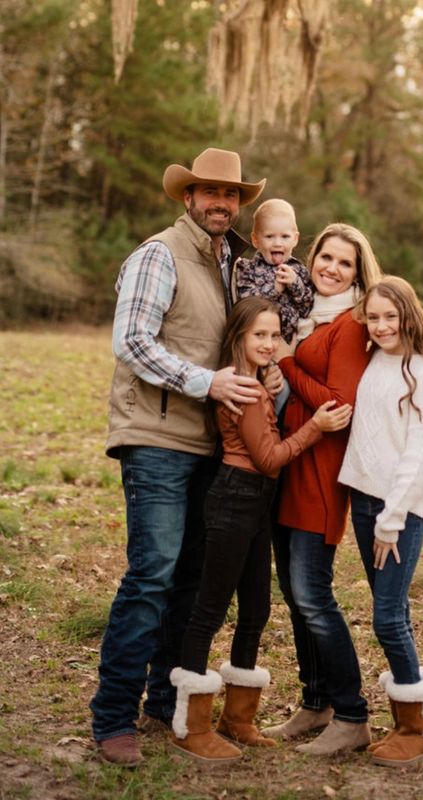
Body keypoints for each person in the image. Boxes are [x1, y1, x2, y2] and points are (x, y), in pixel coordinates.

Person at [90, 148, 271, 767]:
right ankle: (113, 718)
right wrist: (207, 383)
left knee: (190, 578)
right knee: (152, 576)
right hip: (157, 439)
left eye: (231, 194)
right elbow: (132, 341)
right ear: (188, 197)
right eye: (210, 192)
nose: (222, 202)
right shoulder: (159, 255)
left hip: (209, 443)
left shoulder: (231, 264)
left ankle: (164, 702)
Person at [169, 296, 353, 764]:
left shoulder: (255, 382)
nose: (270, 343)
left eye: (275, 335)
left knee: (255, 610)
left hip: (255, 503)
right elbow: (269, 459)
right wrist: (315, 427)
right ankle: (191, 727)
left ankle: (238, 719)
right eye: (260, 335)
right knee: (209, 610)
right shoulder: (246, 390)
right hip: (236, 498)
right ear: (239, 337)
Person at [262, 223, 383, 756]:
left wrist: (288, 363)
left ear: (358, 274)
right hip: (290, 462)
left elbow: (339, 403)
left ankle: (352, 714)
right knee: (294, 594)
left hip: (321, 472)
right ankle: (316, 702)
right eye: (325, 257)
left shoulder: (351, 325)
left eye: (345, 263)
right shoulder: (306, 316)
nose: (331, 268)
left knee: (312, 593)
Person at [338, 276, 423, 767]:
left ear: (408, 316)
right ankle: (407, 718)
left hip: (398, 509)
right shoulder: (372, 358)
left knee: (386, 618)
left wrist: (392, 519)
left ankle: (418, 729)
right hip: (365, 500)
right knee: (393, 609)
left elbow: (420, 453)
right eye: (373, 317)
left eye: (391, 316)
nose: (382, 325)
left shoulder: (420, 372)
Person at [235, 198, 313, 344]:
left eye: (285, 236)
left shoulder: (299, 271)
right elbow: (246, 306)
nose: (277, 243)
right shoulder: (248, 270)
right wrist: (274, 290)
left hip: (292, 346)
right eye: (269, 236)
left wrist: (295, 284)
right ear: (256, 239)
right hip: (260, 344)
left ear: (295, 239)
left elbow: (308, 307)